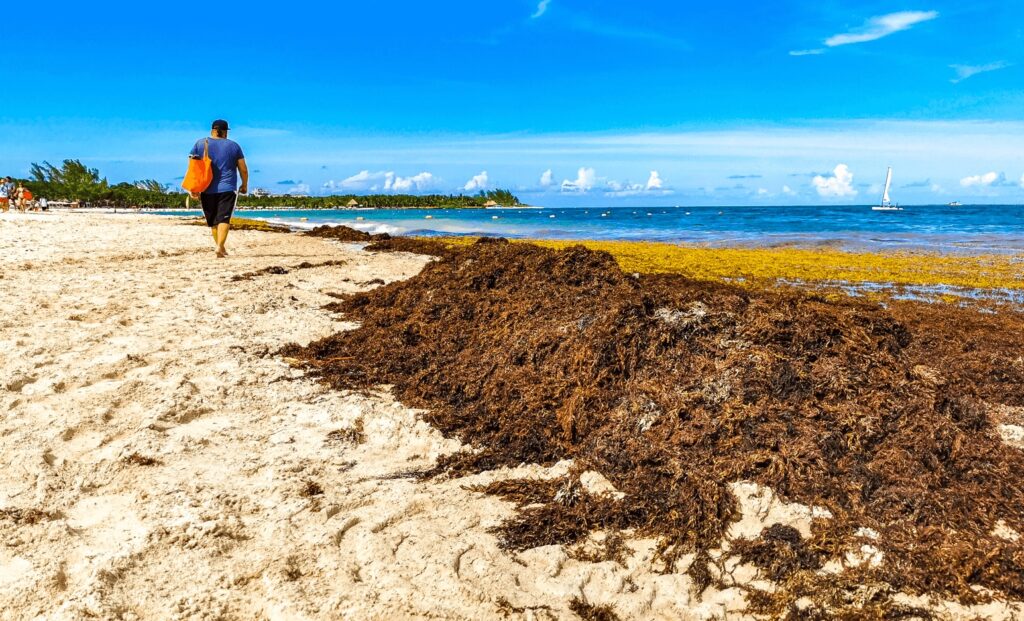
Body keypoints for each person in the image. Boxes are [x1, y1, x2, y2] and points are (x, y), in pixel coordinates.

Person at [188, 119, 248, 257]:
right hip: (227, 189)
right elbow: (243, 169)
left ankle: (219, 247)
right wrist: (244, 185)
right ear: (225, 132)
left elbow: (193, 168)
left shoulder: (200, 143)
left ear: (212, 131)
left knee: (214, 221)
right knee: (224, 219)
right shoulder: (234, 146)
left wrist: (193, 187)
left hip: (206, 188)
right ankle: (220, 246)